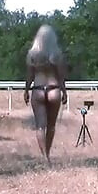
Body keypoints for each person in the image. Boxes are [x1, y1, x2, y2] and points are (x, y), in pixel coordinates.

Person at [24, 24, 68, 163]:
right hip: (54, 88)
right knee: (51, 126)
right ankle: (48, 154)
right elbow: (61, 76)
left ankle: (44, 157)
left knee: (40, 126)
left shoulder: (32, 55)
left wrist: (26, 90)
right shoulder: (56, 54)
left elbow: (30, 76)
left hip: (38, 89)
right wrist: (64, 92)